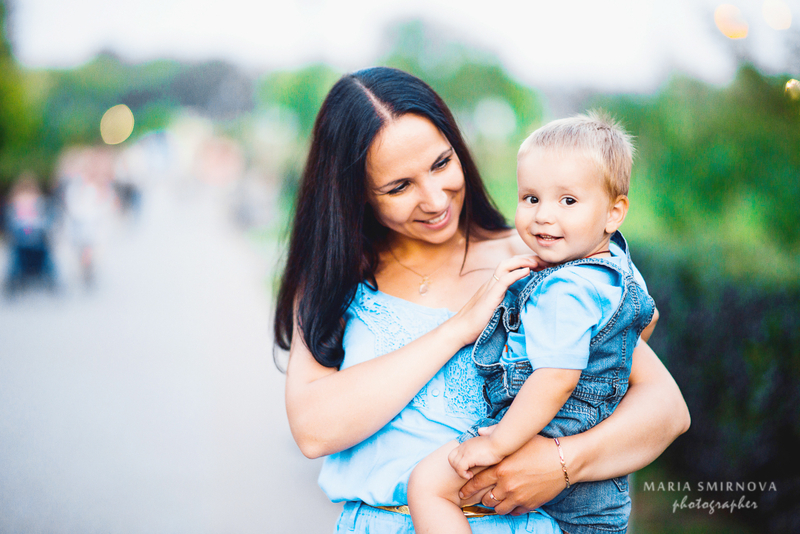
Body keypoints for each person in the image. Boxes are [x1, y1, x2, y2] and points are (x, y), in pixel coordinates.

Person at [275, 67, 690, 533]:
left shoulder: (539, 261)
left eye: (441, 164)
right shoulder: (335, 279)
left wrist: (561, 462)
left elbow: (666, 409)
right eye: (399, 187)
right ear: (356, 194)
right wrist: (459, 328)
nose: (435, 200)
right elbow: (314, 430)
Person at [408, 113, 653, 534]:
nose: (543, 216)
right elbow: (643, 325)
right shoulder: (618, 269)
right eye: (531, 198)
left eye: (568, 201)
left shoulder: (565, 290)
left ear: (614, 213)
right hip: (602, 483)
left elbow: (556, 378)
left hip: (545, 432)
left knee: (428, 486)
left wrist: (497, 443)